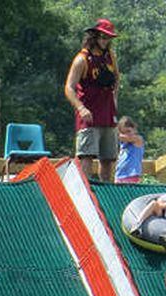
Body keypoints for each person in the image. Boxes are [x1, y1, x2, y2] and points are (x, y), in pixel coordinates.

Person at [64, 18, 120, 181]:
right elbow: (69, 87)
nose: (105, 41)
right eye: (103, 37)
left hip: (107, 113)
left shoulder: (110, 56)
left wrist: (114, 98)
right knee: (87, 155)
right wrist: (81, 108)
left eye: (108, 38)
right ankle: (85, 191)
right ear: (94, 36)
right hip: (89, 114)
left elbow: (116, 78)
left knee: (108, 158)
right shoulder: (82, 59)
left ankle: (107, 194)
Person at [115, 116, 145, 184]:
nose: (127, 134)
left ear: (134, 129)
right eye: (124, 132)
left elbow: (126, 138)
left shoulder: (138, 139)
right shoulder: (123, 144)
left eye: (129, 131)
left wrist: (114, 132)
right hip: (119, 175)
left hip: (132, 175)